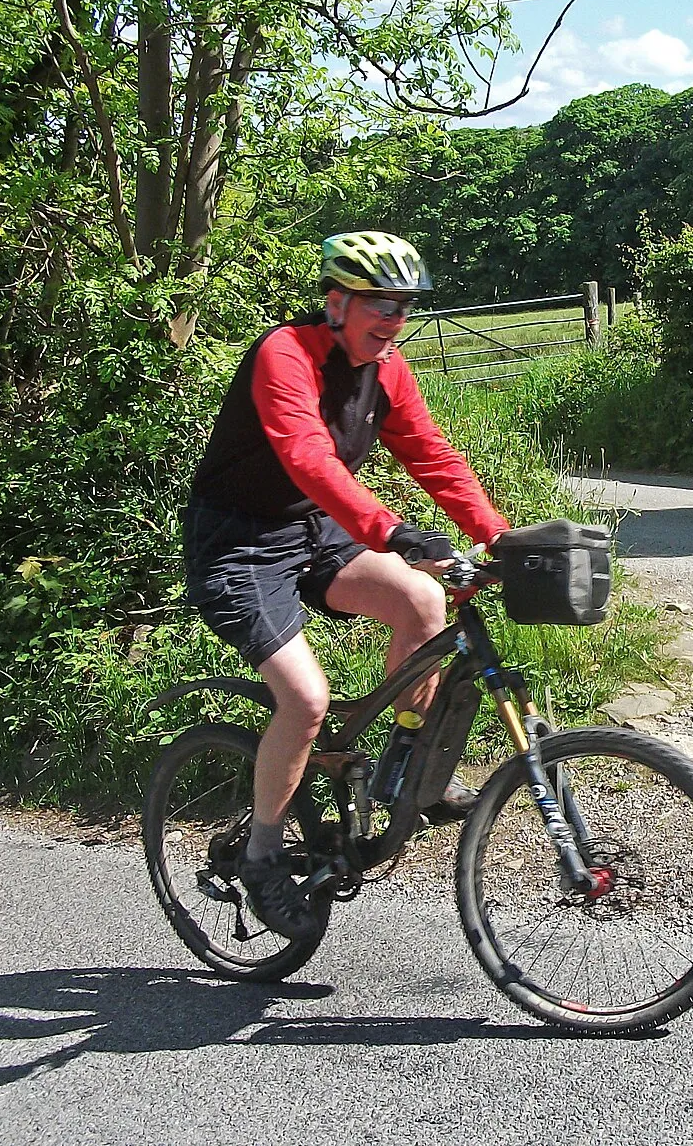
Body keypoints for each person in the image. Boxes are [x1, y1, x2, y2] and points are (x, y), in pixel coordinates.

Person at [180, 231, 511, 940]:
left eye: (404, 305)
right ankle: (264, 855)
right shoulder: (286, 354)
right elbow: (307, 458)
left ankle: (402, 768)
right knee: (304, 696)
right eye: (379, 303)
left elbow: (431, 454)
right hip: (237, 541)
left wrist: (497, 533)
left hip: (312, 527)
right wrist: (391, 531)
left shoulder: (387, 369)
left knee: (423, 598)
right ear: (337, 302)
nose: (393, 319)